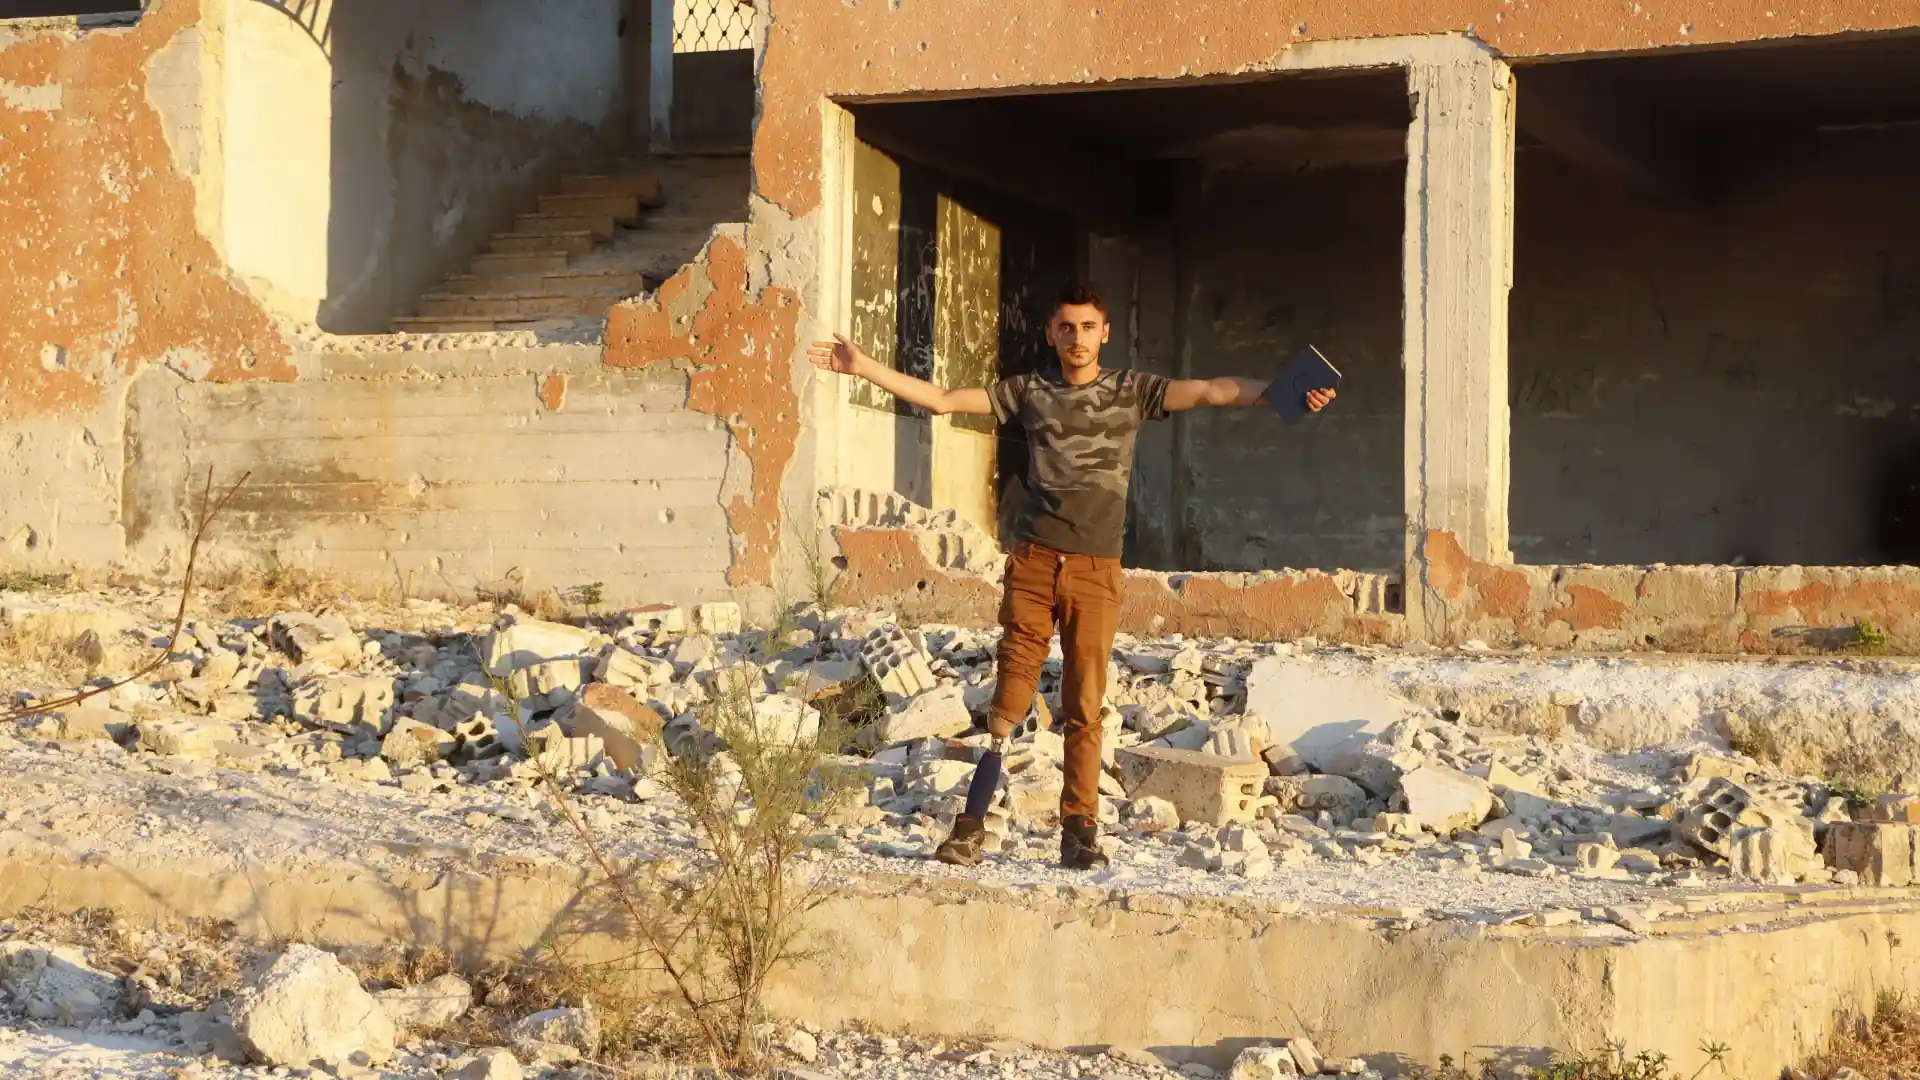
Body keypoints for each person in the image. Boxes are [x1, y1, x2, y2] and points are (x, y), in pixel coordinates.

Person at [807, 281, 1335, 869]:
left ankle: (1079, 831)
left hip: (1095, 570)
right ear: (1051, 333)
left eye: (1088, 327)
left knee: (1086, 700)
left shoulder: (1132, 391)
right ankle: (971, 825)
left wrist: (1285, 391)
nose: (1077, 338)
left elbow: (1213, 390)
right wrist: (860, 366)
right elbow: (943, 400)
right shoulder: (1029, 391)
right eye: (1066, 327)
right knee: (1010, 697)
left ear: (1103, 333)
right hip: (1033, 564)